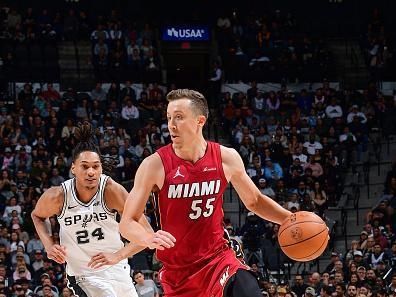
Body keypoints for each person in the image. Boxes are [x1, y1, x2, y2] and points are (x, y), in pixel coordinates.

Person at [120, 89, 292, 297]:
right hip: (179, 273)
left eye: (179, 117)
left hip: (219, 259)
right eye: (169, 118)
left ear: (200, 121)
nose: (171, 125)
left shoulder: (226, 157)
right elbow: (127, 223)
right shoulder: (154, 165)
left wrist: (291, 219)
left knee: (248, 290)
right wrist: (148, 237)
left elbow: (254, 201)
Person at [31, 122, 152, 297]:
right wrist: (49, 245)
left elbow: (146, 234)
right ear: (73, 168)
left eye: (96, 166)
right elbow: (37, 216)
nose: (91, 172)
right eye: (85, 166)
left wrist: (118, 256)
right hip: (83, 274)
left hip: (118, 270)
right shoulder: (58, 196)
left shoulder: (111, 190)